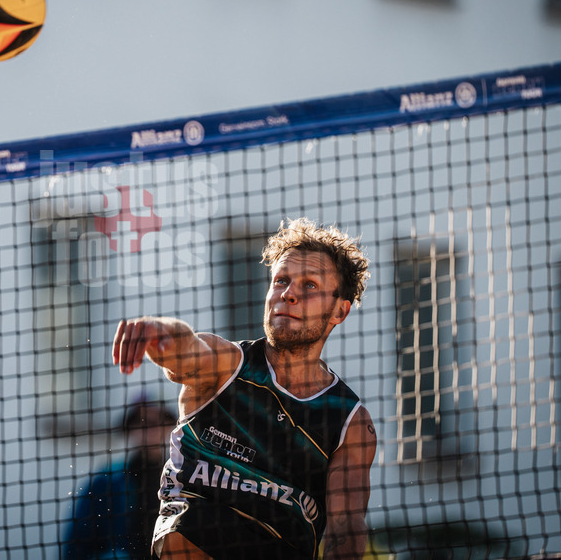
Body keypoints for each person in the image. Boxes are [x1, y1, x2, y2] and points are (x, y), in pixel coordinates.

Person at [113, 217, 377, 560]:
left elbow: (346, 529)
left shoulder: (350, 422)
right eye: (280, 280)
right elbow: (184, 348)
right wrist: (155, 329)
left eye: (309, 285)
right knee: (193, 526)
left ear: (339, 310)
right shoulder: (226, 366)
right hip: (196, 543)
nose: (289, 293)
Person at [62, 397, 177, 560]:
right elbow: (76, 544)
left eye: (158, 421)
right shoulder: (104, 483)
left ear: (169, 427)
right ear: (129, 429)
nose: (151, 429)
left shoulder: (182, 480)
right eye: (142, 422)